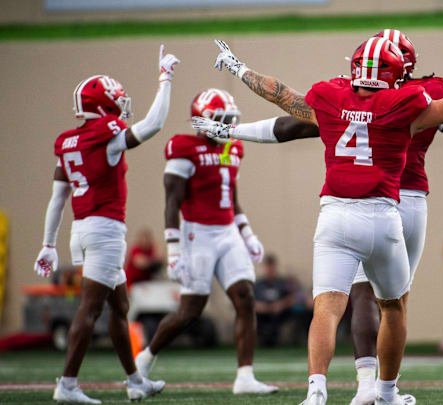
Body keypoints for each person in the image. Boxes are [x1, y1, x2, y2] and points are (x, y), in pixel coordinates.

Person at [194, 29, 443, 405]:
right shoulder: (410, 101)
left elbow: (285, 105)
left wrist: (238, 77)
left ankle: (321, 391)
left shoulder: (331, 95)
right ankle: (385, 391)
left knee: (330, 306)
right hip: (392, 209)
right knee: (393, 304)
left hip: (336, 211)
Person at [32, 45, 179, 403]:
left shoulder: (68, 142)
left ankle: (134, 380)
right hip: (105, 231)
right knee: (91, 308)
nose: (122, 105)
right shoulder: (106, 136)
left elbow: (58, 198)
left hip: (80, 232)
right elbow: (153, 125)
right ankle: (67, 384)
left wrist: (48, 243)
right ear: (104, 105)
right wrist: (165, 79)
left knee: (119, 307)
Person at [133, 88, 276, 395]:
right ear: (202, 120)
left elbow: (231, 196)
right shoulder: (184, 147)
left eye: (230, 121)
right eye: (221, 121)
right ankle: (145, 358)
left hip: (227, 232)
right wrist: (173, 249)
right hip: (197, 233)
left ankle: (245, 377)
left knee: (245, 297)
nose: (227, 127)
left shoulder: (234, 148)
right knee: (190, 311)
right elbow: (172, 201)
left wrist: (247, 233)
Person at [255, 254, 296, 347]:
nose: (270, 270)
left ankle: (274, 338)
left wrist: (281, 304)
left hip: (278, 312)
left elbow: (292, 297)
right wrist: (259, 306)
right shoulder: (258, 284)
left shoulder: (282, 282)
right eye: (267, 267)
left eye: (271, 267)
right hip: (261, 313)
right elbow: (249, 300)